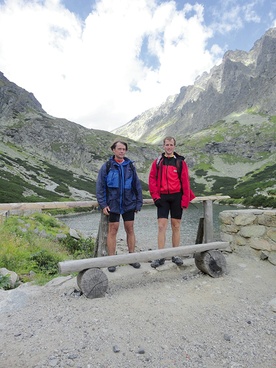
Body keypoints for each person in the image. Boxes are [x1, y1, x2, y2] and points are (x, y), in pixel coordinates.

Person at [148, 136, 195, 268]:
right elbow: (152, 179)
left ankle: (176, 254)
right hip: (162, 197)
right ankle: (160, 256)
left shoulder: (180, 162)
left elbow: (185, 182)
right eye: (167, 145)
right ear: (163, 146)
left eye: (171, 145)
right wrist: (155, 197)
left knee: (176, 226)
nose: (169, 147)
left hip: (176, 197)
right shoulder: (157, 162)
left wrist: (185, 200)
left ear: (174, 146)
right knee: (161, 226)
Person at [96, 140, 143, 272]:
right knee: (113, 231)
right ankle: (112, 261)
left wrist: (138, 203)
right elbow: (100, 187)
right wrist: (103, 204)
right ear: (114, 150)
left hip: (129, 204)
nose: (122, 151)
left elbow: (137, 186)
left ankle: (132, 257)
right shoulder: (107, 166)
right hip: (113, 204)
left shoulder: (130, 167)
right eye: (119, 149)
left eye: (124, 149)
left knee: (130, 229)